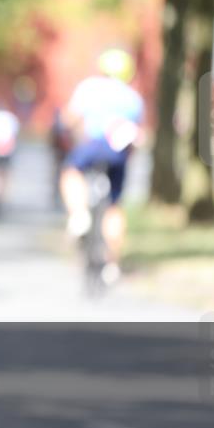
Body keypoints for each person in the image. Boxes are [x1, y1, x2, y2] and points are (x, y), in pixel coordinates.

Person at [60, 48, 144, 284]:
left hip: (93, 145)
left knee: (71, 172)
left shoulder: (89, 88)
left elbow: (69, 119)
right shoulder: (134, 99)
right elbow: (136, 134)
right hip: (118, 153)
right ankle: (111, 264)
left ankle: (79, 215)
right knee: (114, 206)